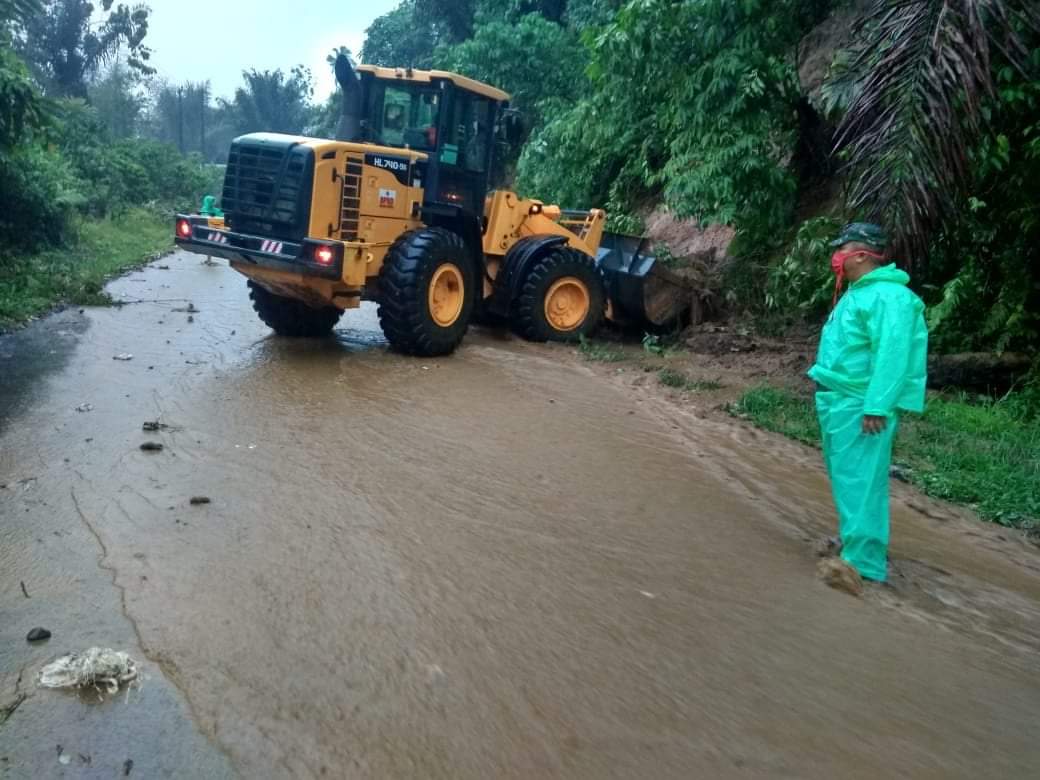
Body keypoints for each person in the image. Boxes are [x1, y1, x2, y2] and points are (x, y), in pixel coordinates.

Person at [808, 222, 928, 587]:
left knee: (860, 479)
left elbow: (891, 355)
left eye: (841, 251)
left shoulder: (889, 298)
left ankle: (863, 564)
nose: (836, 258)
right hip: (840, 399)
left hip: (860, 404)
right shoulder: (862, 293)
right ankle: (855, 541)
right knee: (849, 477)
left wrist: (877, 405)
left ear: (860, 255)